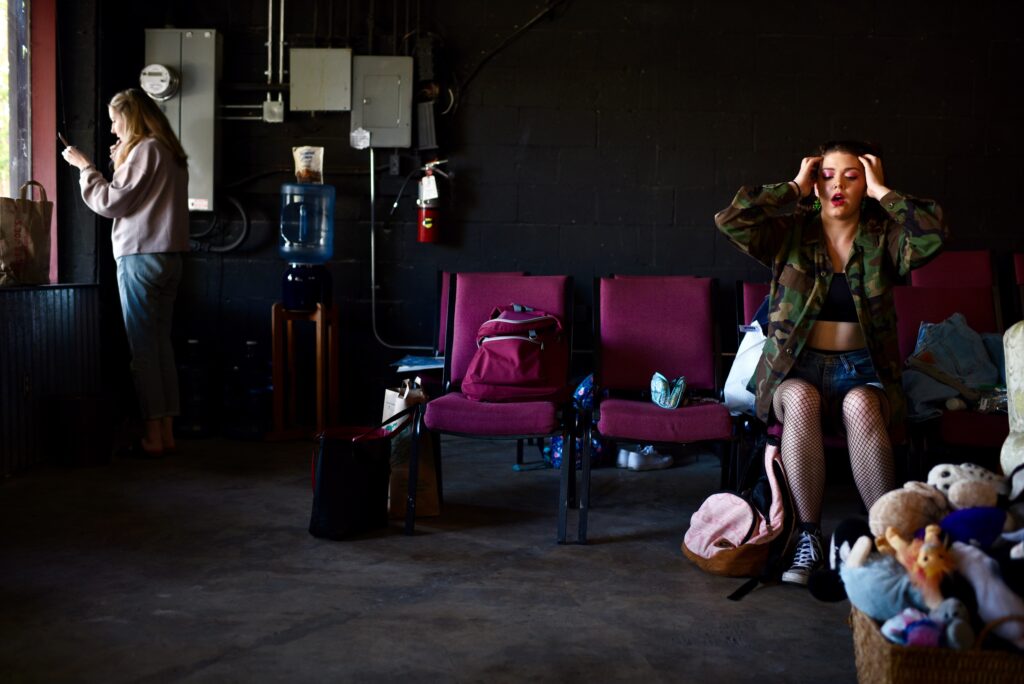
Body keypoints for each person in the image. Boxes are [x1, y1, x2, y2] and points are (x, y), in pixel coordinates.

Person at [714, 140, 949, 585]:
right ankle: (808, 539)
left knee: (862, 406)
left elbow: (933, 232)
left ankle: (886, 542)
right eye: (827, 175)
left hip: (861, 368)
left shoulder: (884, 238)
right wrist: (792, 188)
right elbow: (732, 219)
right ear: (816, 184)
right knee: (800, 399)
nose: (837, 184)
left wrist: (885, 192)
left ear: (865, 184)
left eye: (851, 176)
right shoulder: (790, 233)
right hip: (795, 369)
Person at [62, 88, 190, 457]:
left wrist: (86, 168)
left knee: (144, 351)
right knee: (161, 346)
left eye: (116, 120)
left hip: (141, 257)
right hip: (171, 258)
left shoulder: (146, 149)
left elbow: (112, 202)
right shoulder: (169, 152)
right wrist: (121, 162)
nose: (113, 128)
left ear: (130, 118)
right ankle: (166, 432)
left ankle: (153, 436)